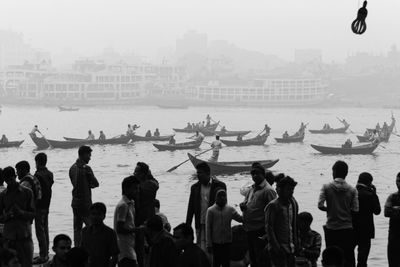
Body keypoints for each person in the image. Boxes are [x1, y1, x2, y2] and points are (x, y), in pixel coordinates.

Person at [318, 160, 358, 267]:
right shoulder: (352, 190)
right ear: (346, 173)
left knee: (331, 259)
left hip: (331, 228)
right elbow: (355, 210)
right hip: (347, 229)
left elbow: (320, 205)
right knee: (348, 258)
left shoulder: (326, 187)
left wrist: (331, 209)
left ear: (334, 172)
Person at [239, 163, 276, 267]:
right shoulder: (251, 188)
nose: (255, 176)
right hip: (249, 229)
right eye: (253, 174)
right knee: (253, 259)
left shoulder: (268, 190)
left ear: (263, 175)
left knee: (262, 260)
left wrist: (267, 234)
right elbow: (247, 203)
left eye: (257, 173)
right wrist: (244, 206)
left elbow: (274, 212)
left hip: (260, 231)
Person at [186, 162, 226, 252]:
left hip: (215, 224)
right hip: (200, 223)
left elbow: (224, 206)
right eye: (197, 173)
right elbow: (191, 207)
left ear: (208, 173)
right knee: (201, 249)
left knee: (215, 249)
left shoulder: (220, 186)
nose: (198, 175)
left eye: (200, 173)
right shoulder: (195, 187)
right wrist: (187, 225)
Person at [0, 166, 35, 267]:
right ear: (4, 180)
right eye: (7, 181)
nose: (9, 183)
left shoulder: (27, 193)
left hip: (24, 236)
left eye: (11, 179)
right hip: (8, 238)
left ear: (15, 176)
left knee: (27, 264)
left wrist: (21, 212)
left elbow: (33, 214)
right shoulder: (2, 196)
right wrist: (8, 215)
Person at [265, 176, 299, 267]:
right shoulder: (273, 206)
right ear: (280, 190)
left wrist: (296, 243)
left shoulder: (293, 204)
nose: (291, 192)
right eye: (288, 189)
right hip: (279, 248)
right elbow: (269, 228)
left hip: (290, 247)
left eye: (292, 189)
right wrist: (277, 247)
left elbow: (294, 225)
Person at [69, 145, 99, 246]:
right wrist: (90, 177)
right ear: (83, 155)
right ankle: (92, 251)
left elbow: (76, 185)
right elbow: (95, 184)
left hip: (75, 203)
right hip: (85, 204)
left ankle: (77, 249)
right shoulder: (87, 169)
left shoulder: (72, 168)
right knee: (92, 229)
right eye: (89, 155)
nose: (90, 157)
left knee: (77, 229)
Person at [206, 189, 242, 267]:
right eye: (220, 196)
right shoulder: (211, 210)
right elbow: (208, 228)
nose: (222, 198)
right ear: (216, 198)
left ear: (226, 198)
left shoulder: (230, 209)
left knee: (226, 263)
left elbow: (241, 219)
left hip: (227, 242)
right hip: (215, 242)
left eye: (224, 196)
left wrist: (245, 210)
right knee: (216, 263)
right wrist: (208, 244)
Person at [352, 172, 381, 267]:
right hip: (366, 230)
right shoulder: (370, 195)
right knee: (362, 260)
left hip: (351, 228)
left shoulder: (351, 193)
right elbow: (377, 211)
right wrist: (374, 194)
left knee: (348, 257)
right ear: (370, 183)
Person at [134, 162, 159, 267]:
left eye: (137, 172)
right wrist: (149, 174)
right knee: (149, 247)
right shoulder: (152, 184)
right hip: (148, 218)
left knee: (140, 249)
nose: (134, 173)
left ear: (143, 174)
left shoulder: (140, 187)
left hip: (141, 219)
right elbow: (155, 182)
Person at [81, 202, 119, 267]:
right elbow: (81, 252)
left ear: (104, 216)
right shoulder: (84, 231)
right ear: (89, 215)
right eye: (93, 214)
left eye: (99, 214)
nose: (95, 217)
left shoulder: (110, 233)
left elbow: (115, 256)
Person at [114, 176, 141, 267]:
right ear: (126, 189)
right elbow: (120, 228)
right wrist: (137, 230)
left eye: (138, 188)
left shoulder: (131, 203)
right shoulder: (123, 205)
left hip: (130, 244)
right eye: (135, 188)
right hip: (124, 247)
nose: (137, 191)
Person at [32, 153, 54, 265]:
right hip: (47, 205)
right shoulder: (50, 174)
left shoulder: (38, 175)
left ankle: (43, 255)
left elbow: (37, 192)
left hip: (39, 206)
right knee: (45, 229)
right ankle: (45, 253)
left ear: (37, 162)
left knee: (40, 231)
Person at [384, 172, 400, 267]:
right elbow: (386, 212)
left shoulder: (392, 198)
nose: (398, 183)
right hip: (394, 235)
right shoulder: (392, 197)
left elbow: (389, 210)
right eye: (397, 181)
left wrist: (395, 209)